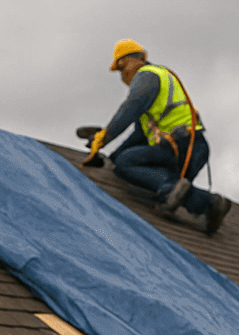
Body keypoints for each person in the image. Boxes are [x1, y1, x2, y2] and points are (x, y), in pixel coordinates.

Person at [87, 38, 231, 233]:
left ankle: (173, 189)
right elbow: (139, 135)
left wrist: (103, 138)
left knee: (127, 163)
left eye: (121, 69)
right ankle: (210, 204)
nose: (122, 76)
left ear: (130, 61)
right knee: (152, 177)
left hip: (181, 146)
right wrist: (110, 158)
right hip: (194, 148)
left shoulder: (147, 75)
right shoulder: (160, 82)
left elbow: (130, 107)